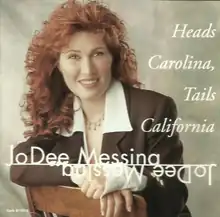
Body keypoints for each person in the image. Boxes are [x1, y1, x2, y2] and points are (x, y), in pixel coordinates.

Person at [10, 0, 191, 217]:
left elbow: (172, 196)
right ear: (57, 64)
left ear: (113, 59)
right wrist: (88, 176)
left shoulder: (155, 109)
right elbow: (20, 167)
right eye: (74, 56)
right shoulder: (59, 111)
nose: (87, 70)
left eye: (98, 54)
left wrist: (125, 180)